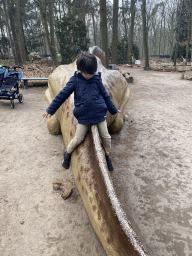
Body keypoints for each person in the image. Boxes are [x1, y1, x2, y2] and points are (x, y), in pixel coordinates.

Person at [43, 52, 121, 171]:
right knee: (78, 138)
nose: (89, 75)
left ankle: (107, 155)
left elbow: (105, 97)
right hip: (83, 117)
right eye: (86, 73)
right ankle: (67, 153)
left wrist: (114, 110)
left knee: (106, 137)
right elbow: (62, 96)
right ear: (80, 70)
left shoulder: (97, 79)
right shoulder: (75, 80)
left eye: (91, 72)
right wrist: (50, 110)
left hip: (99, 115)